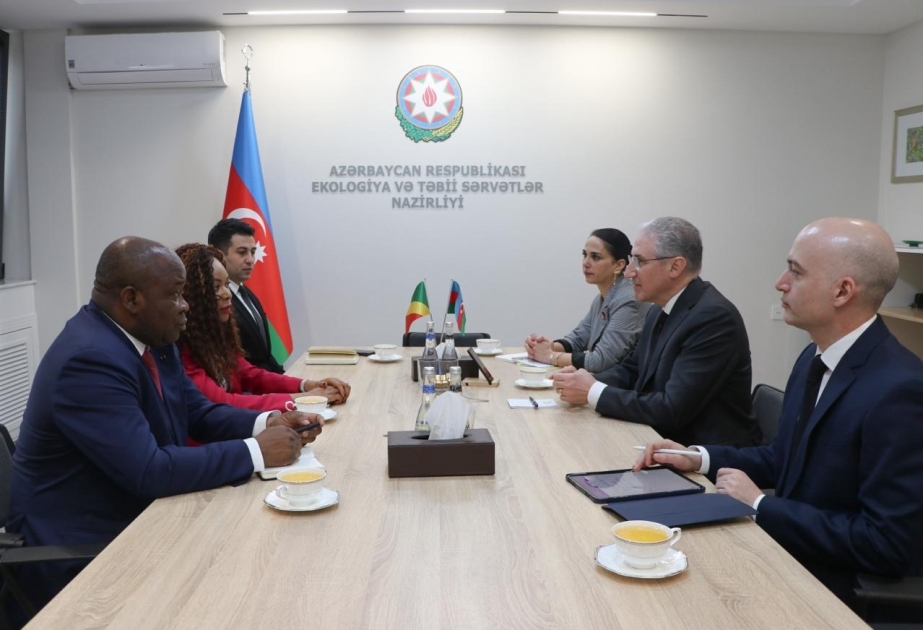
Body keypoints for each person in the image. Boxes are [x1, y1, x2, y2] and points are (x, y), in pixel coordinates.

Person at [7, 237, 323, 609]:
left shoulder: (154, 339)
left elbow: (197, 412)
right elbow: (149, 471)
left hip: (144, 517)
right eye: (175, 295)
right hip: (84, 550)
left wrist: (268, 421)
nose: (186, 306)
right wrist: (256, 452)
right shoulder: (89, 360)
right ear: (131, 299)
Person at [635, 218, 923, 613]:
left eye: (796, 271)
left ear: (842, 291)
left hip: (832, 589)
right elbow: (785, 458)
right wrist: (698, 457)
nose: (780, 282)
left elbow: (885, 544)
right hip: (784, 552)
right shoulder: (814, 356)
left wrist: (761, 504)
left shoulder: (899, 390)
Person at [552, 217, 759, 446]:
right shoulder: (658, 310)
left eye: (639, 261)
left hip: (705, 463)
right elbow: (631, 370)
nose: (629, 273)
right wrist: (586, 380)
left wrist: (593, 392)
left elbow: (672, 409)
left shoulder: (713, 318)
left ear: (675, 266)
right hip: (658, 441)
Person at [175, 243, 350, 412]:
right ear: (191, 295)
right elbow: (224, 402)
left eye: (226, 285)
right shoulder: (180, 348)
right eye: (215, 287)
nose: (227, 294)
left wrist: (308, 385)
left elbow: (251, 374)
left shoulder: (215, 336)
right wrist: (306, 399)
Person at [524, 228, 648, 372]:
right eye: (585, 255)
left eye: (595, 257)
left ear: (618, 265)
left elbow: (601, 360)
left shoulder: (628, 300)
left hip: (625, 389)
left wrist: (550, 356)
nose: (586, 263)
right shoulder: (602, 298)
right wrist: (544, 347)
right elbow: (578, 339)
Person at [207, 218, 284, 373]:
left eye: (253, 252)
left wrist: (294, 382)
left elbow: (265, 355)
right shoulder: (215, 302)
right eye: (242, 252)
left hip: (268, 383)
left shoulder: (247, 293)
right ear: (219, 254)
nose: (250, 260)